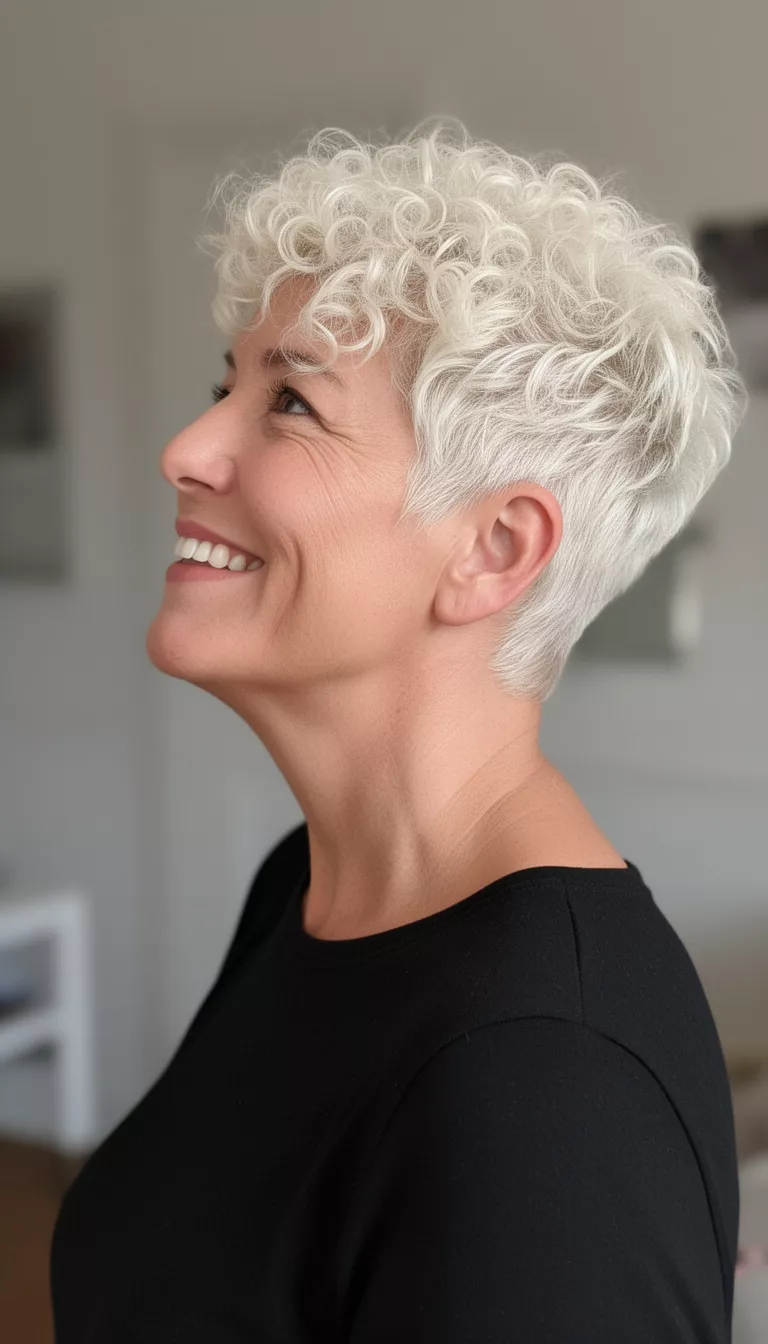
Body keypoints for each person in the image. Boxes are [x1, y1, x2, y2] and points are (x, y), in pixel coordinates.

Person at [50, 118, 745, 1342]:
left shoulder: (546, 1089)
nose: (187, 446)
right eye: (228, 385)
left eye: (292, 404)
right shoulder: (309, 890)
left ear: (493, 550)